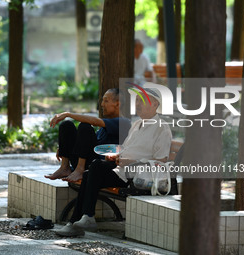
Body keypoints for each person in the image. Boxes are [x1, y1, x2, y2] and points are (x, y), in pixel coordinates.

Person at [54, 85, 172, 237]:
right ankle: (77, 221)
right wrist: (116, 156)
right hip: (120, 169)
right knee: (90, 173)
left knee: (95, 168)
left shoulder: (162, 128)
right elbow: (126, 147)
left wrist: (130, 161)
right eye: (136, 100)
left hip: (136, 175)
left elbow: (161, 161)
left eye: (141, 100)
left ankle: (83, 219)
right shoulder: (137, 124)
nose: (137, 104)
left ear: (155, 104)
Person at [45, 88, 131, 182]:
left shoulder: (124, 123)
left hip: (97, 166)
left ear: (118, 104)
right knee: (67, 125)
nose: (102, 104)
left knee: (85, 126)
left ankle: (80, 170)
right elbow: (86, 143)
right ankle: (65, 167)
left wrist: (68, 114)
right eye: (102, 100)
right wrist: (64, 147)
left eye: (106, 101)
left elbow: (94, 122)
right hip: (88, 161)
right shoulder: (104, 127)